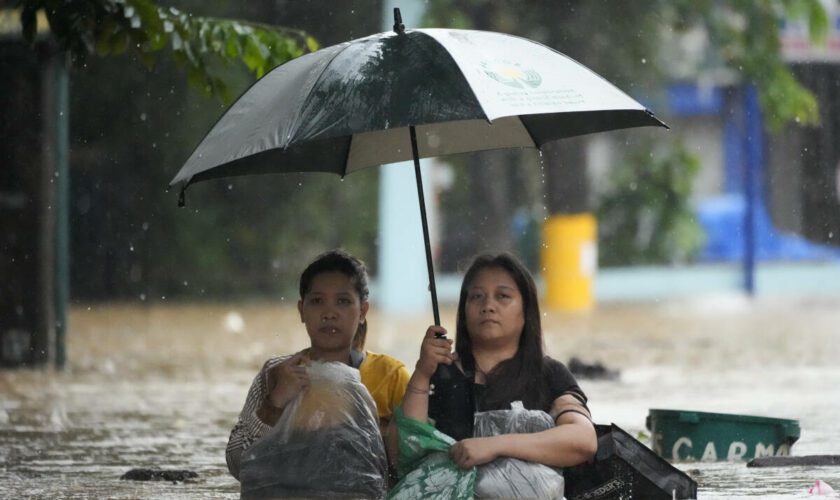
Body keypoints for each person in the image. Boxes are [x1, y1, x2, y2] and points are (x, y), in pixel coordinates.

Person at [390, 253, 597, 472]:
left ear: (526, 312)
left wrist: (495, 446)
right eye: (477, 297)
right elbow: (399, 454)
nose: (488, 305)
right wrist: (422, 373)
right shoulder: (439, 374)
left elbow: (584, 440)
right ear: (464, 311)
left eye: (503, 296)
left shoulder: (548, 374)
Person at [226, 249, 411, 480]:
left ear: (362, 311)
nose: (329, 313)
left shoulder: (391, 376)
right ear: (302, 310)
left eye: (343, 302)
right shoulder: (277, 373)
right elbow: (238, 465)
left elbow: (416, 463)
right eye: (317, 301)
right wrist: (275, 403)